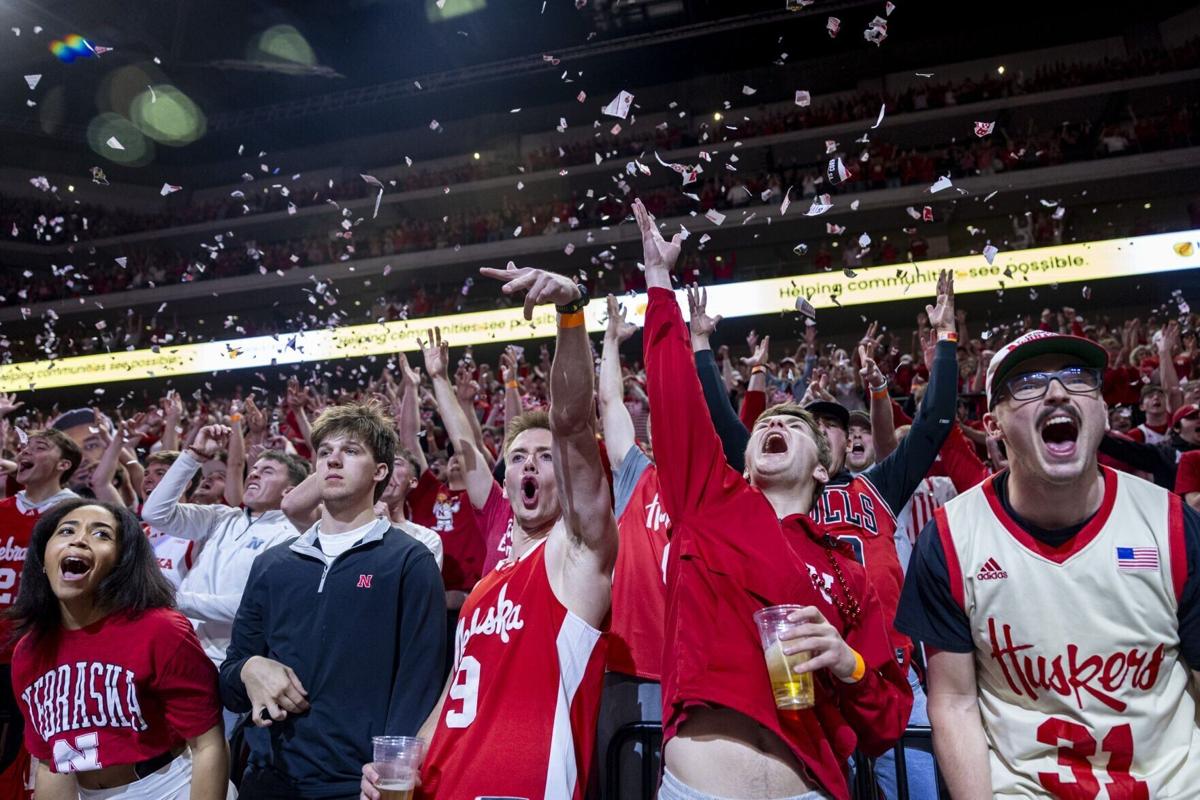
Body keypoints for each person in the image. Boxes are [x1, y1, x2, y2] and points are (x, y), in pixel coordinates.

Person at [633, 198, 910, 800]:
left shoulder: (848, 573)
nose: (772, 427)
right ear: (749, 464)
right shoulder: (712, 503)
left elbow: (888, 720)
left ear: (823, 466)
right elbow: (677, 396)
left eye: (795, 426)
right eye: (763, 426)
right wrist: (659, 285)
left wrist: (847, 661)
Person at [897, 329, 1200, 796]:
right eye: (1028, 382)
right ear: (992, 424)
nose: (1057, 392)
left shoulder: (1173, 524)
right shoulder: (950, 538)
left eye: (1078, 378)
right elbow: (955, 702)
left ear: (1102, 411)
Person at [362, 268, 618, 799]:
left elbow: (570, 421)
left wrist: (572, 314)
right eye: (518, 456)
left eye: (546, 459)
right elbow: (456, 692)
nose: (529, 465)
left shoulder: (577, 557)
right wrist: (411, 760)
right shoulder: (482, 591)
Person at [222, 403, 445, 799]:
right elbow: (231, 680)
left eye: (351, 450)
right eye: (324, 452)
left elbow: (420, 684)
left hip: (358, 784)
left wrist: (391, 771)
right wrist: (248, 669)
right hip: (268, 780)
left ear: (381, 472)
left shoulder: (409, 561)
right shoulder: (272, 564)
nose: (333, 460)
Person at [9, 499, 229, 800]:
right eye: (66, 531)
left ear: (121, 563)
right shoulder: (29, 651)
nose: (79, 539)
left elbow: (208, 745)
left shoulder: (161, 630)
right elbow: (52, 764)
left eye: (101, 534)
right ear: (43, 561)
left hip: (172, 786)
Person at [142, 428, 308, 676]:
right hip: (177, 648)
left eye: (267, 471)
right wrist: (194, 456)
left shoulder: (289, 537)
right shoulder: (221, 517)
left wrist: (178, 601)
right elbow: (154, 514)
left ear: (289, 491)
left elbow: (252, 606)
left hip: (225, 666)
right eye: (254, 470)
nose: (253, 474)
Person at [596, 293, 670, 798]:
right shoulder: (639, 476)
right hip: (628, 669)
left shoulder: (723, 489)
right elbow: (609, 404)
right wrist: (609, 341)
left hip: (699, 671)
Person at [0, 428, 80, 798]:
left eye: (39, 447)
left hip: (40, 654)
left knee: (26, 757)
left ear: (63, 464)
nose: (25, 451)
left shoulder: (76, 517)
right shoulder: (2, 509)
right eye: (24, 446)